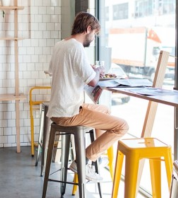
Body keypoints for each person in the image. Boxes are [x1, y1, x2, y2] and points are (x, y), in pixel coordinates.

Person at [46, 12, 129, 182]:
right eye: (94, 34)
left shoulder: (60, 45)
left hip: (58, 109)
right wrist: (97, 72)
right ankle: (84, 160)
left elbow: (58, 72)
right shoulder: (76, 47)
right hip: (69, 112)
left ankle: (93, 158)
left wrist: (86, 70)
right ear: (88, 28)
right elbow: (92, 81)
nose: (94, 38)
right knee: (122, 126)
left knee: (104, 110)